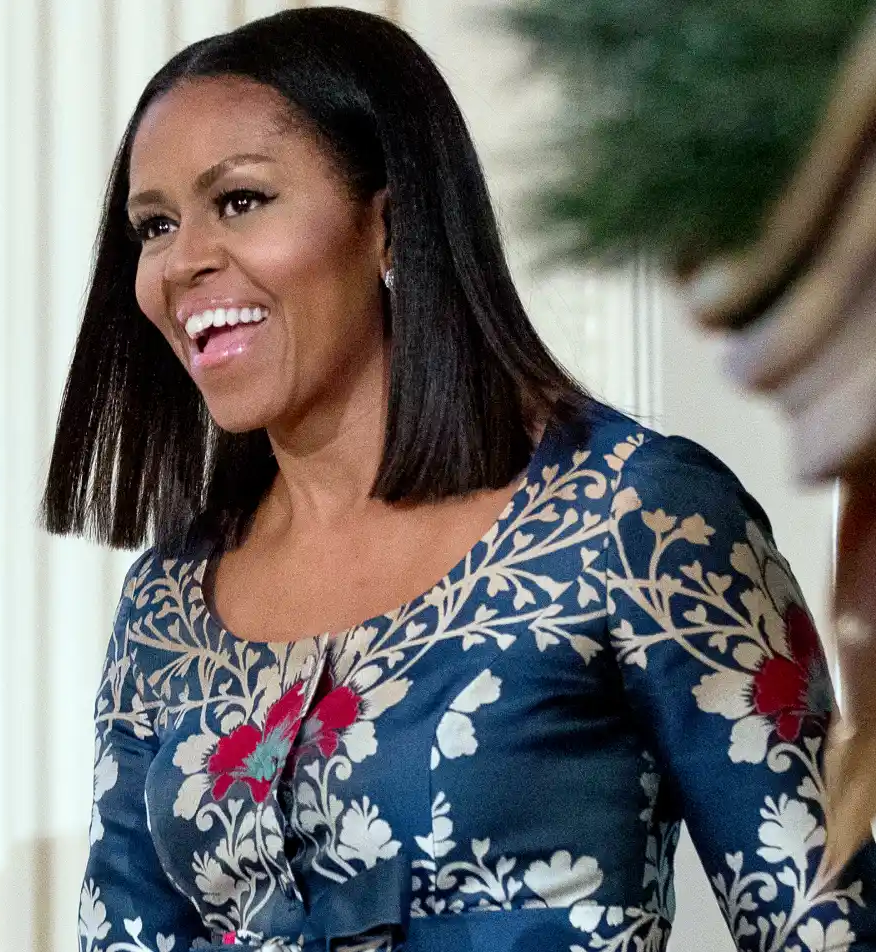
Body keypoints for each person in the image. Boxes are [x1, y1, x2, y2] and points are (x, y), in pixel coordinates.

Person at [44, 9, 876, 952]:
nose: (181, 261)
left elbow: (826, 925)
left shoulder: (638, 517)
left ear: (389, 225)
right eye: (154, 225)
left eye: (239, 201)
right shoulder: (165, 602)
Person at [678, 11, 876, 873]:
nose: (201, 254)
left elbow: (817, 907)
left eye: (243, 200)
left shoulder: (649, 513)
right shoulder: (203, 563)